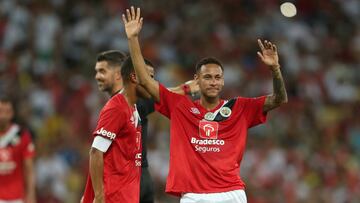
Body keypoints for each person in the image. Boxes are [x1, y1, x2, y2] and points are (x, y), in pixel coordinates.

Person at [122, 7, 288, 203]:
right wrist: (133, 39)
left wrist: (275, 69)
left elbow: (279, 99)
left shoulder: (240, 108)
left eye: (218, 77)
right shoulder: (180, 106)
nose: (213, 82)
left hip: (231, 194)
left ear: (223, 81)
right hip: (194, 196)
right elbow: (144, 80)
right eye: (207, 77)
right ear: (196, 80)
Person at [81, 50, 198, 203]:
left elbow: (163, 95)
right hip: (115, 194)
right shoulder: (117, 107)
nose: (153, 84)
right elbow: (96, 152)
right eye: (148, 78)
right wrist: (97, 195)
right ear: (134, 77)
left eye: (153, 79)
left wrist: (186, 89)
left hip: (130, 190)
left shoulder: (134, 107)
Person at [0, 96, 36, 203]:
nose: (3, 115)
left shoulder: (21, 135)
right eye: (0, 111)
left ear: (12, 113)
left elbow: (29, 169)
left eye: (7, 111)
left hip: (16, 198)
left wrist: (31, 194)